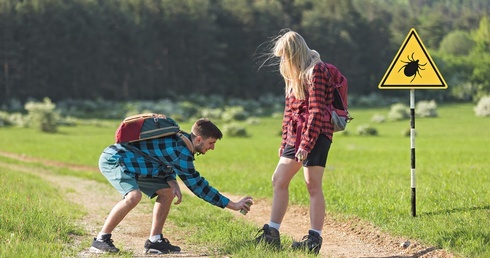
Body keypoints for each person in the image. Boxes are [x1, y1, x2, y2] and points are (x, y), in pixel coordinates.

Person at [90, 118, 253, 254]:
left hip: (137, 165)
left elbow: (160, 158)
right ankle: (100, 240)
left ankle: (155, 241)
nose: (212, 147)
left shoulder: (180, 139)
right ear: (198, 139)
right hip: (115, 160)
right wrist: (233, 204)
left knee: (168, 192)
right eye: (211, 143)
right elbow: (198, 186)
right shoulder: (181, 151)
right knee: (134, 196)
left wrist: (172, 180)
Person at [255, 30, 336, 254]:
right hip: (295, 135)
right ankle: (272, 234)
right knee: (278, 179)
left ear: (294, 53)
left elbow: (317, 111)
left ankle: (313, 240)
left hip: (317, 134)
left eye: (284, 56)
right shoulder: (292, 74)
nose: (282, 61)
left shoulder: (316, 70)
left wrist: (306, 145)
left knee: (312, 185)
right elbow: (289, 111)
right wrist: (285, 142)